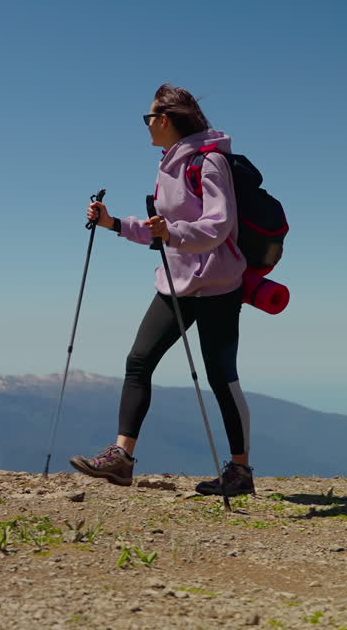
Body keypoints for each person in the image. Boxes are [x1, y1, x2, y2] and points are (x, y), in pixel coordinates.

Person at [69, 83, 254, 497]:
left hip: (219, 286)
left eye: (149, 118)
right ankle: (121, 459)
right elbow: (162, 232)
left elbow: (217, 226)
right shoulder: (169, 164)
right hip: (176, 283)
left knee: (222, 378)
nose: (147, 125)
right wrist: (114, 223)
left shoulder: (209, 163)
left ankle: (241, 472)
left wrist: (172, 233)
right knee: (139, 361)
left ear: (165, 120)